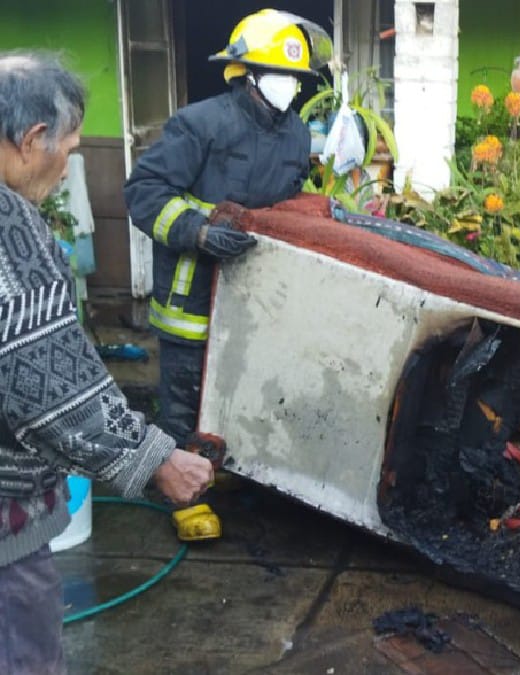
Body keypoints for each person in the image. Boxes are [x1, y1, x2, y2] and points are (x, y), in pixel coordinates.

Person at [0, 52, 215, 674]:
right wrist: (153, 459)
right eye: (67, 147)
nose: (66, 163)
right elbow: (45, 385)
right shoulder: (7, 227)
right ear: (31, 140)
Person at [124, 9, 330, 542]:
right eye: (279, 74)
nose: (291, 86)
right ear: (245, 73)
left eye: (297, 79)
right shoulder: (201, 124)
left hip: (254, 295)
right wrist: (197, 232)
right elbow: (144, 194)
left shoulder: (296, 136)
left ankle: (222, 469)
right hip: (192, 293)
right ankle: (182, 496)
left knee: (243, 389)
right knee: (185, 396)